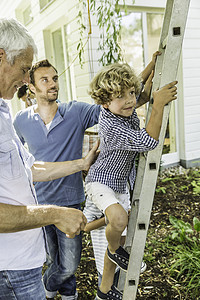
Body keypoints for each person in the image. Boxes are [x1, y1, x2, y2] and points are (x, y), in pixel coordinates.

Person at [0, 17, 99, 300]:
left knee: (66, 265)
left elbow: (29, 168)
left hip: (24, 261)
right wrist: (54, 213)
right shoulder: (20, 118)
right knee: (64, 265)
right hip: (10, 270)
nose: (23, 80)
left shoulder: (4, 112)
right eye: (23, 70)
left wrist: (80, 164)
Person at [84, 62, 178, 300]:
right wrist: (157, 105)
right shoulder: (112, 124)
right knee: (117, 222)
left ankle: (104, 291)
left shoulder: (120, 107)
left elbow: (139, 92)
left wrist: (153, 66)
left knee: (118, 236)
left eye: (130, 94)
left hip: (120, 185)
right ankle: (112, 248)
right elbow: (148, 141)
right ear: (105, 102)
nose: (129, 100)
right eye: (120, 96)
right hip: (102, 182)